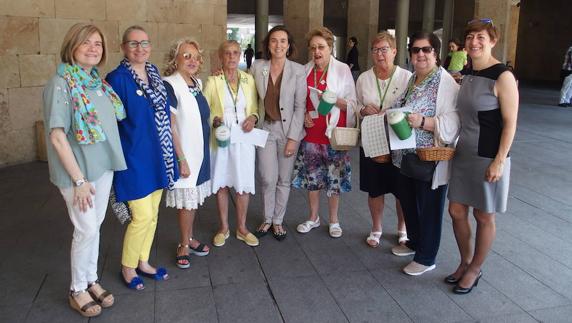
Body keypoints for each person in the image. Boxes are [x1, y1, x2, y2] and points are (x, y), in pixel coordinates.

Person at [43, 22, 126, 316]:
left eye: (98, 44)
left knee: (95, 226)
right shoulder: (62, 83)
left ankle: (91, 279)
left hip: (102, 167)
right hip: (79, 174)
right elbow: (56, 136)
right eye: (87, 43)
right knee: (86, 228)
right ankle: (77, 288)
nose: (94, 48)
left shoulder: (95, 81)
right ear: (72, 46)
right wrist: (78, 180)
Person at [447, 18, 519, 294]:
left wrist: (499, 160)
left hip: (488, 155)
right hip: (464, 151)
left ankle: (475, 268)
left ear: (492, 41)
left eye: (480, 38)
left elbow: (510, 123)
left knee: (483, 215)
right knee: (456, 210)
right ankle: (465, 261)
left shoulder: (503, 76)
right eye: (470, 38)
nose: (474, 43)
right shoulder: (467, 73)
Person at [107, 26, 177, 290]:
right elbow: (112, 123)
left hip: (159, 155)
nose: (140, 48)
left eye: (145, 42)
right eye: (134, 43)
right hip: (133, 157)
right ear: (124, 47)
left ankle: (143, 261)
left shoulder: (155, 73)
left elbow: (167, 115)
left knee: (154, 214)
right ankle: (127, 266)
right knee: (141, 216)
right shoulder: (116, 78)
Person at [389, 31, 460, 276]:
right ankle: (415, 242)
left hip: (430, 158)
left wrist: (424, 122)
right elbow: (401, 103)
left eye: (426, 49)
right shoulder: (414, 79)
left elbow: (453, 121)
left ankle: (427, 256)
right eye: (415, 50)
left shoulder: (445, 82)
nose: (420, 54)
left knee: (429, 207)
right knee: (409, 202)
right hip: (406, 156)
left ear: (436, 54)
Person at [292, 27, 357, 238]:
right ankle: (313, 217)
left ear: (330, 48)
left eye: (321, 47)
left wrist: (333, 99)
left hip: (333, 136)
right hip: (311, 135)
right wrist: (303, 117)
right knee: (312, 179)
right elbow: (298, 102)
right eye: (313, 48)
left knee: (334, 180)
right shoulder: (305, 70)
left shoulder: (342, 70)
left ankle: (334, 220)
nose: (317, 52)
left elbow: (353, 104)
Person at [250, 26, 306, 240]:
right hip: (264, 129)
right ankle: (266, 218)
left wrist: (293, 138)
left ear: (289, 45)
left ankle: (277, 221)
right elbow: (246, 89)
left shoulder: (297, 70)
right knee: (267, 177)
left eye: (283, 41)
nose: (279, 45)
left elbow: (300, 106)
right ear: (268, 44)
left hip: (287, 131)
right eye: (274, 40)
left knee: (283, 179)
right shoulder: (257, 67)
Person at [356, 32, 411, 248]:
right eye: (376, 50)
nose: (380, 54)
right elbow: (354, 104)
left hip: (398, 140)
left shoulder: (407, 77)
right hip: (372, 139)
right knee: (375, 187)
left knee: (402, 188)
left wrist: (393, 111)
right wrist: (362, 109)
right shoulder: (363, 78)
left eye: (384, 49)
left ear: (395, 51)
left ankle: (402, 229)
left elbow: (412, 106)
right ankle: (376, 227)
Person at [204, 40, 260, 247]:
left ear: (240, 56)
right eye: (227, 53)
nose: (232, 57)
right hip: (222, 134)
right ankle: (224, 227)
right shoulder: (213, 81)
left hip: (244, 134)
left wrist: (253, 118)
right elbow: (205, 108)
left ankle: (242, 228)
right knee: (222, 181)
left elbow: (255, 107)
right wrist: (215, 121)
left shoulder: (248, 79)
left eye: (235, 53)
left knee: (243, 181)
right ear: (221, 56)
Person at [163, 38, 212, 269]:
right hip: (185, 153)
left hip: (200, 150)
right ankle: (183, 244)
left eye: (195, 56)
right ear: (176, 59)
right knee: (186, 201)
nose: (192, 61)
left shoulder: (197, 83)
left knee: (192, 201)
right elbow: (170, 125)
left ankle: (190, 238)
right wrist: (180, 158)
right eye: (186, 55)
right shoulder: (170, 84)